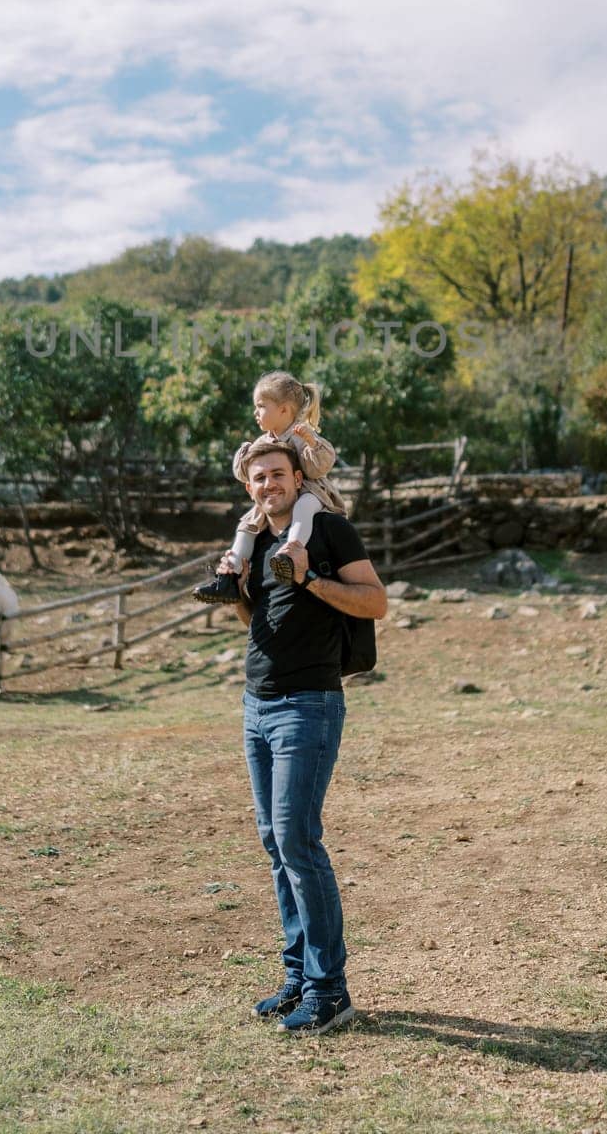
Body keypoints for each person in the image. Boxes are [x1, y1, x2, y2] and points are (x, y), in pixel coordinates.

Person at [218, 438, 388, 1036]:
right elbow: (258, 618)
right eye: (259, 477)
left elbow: (375, 602)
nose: (270, 485)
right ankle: (298, 978)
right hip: (256, 704)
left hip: (309, 704)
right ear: (249, 486)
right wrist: (236, 590)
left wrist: (310, 578)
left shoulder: (330, 530)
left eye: (278, 474)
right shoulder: (256, 539)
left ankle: (330, 990)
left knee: (298, 840)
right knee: (274, 844)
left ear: (297, 477)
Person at [194, 370, 344, 604]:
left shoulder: (301, 434)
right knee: (247, 525)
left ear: (283, 409)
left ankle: (289, 554)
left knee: (303, 507)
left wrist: (312, 443)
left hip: (309, 490)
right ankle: (229, 579)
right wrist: (245, 456)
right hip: (276, 497)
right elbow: (244, 475)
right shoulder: (263, 442)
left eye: (261, 406)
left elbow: (317, 470)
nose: (256, 412)